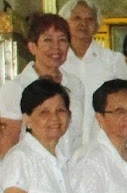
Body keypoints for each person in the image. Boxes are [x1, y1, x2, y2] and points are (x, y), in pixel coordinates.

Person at [0, 13, 84, 158]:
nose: (56, 47)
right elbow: (7, 144)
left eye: (62, 40)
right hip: (32, 167)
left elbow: (77, 136)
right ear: (32, 47)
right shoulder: (15, 88)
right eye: (47, 40)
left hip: (71, 166)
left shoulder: (74, 84)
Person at [59, 0, 127, 143]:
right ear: (65, 23)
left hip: (103, 144)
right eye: (76, 18)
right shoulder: (57, 62)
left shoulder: (114, 61)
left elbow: (124, 103)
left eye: (89, 19)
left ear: (97, 25)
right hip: (63, 144)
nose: (83, 24)